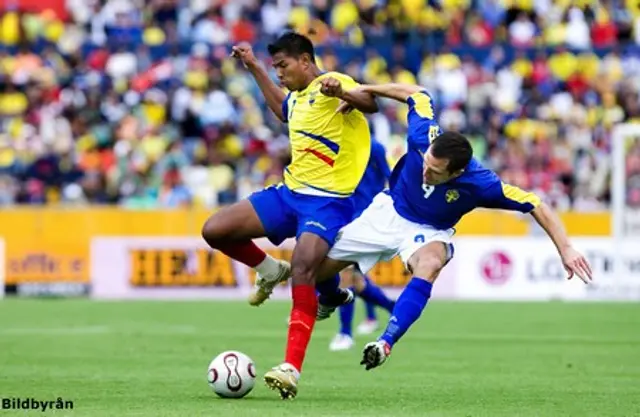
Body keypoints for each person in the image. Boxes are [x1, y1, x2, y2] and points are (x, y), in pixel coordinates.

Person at [263, 82, 593, 394]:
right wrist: (359, 91)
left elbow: (535, 203)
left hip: (428, 232)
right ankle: (333, 295)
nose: (425, 171)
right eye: (426, 163)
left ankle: (385, 341)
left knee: (431, 262)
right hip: (388, 211)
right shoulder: (423, 134)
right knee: (308, 272)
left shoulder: (481, 184)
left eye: (435, 172)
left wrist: (565, 248)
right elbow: (416, 93)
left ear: (457, 173)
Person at [200, 32, 378, 400]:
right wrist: (253, 68)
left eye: (283, 66)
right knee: (215, 229)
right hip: (289, 194)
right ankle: (269, 270)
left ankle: (290, 368)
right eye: (275, 66)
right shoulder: (297, 99)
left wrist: (342, 92)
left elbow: (369, 101)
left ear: (305, 61)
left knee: (304, 266)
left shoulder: (335, 83)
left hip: (328, 202)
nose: (278, 73)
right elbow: (282, 109)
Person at [331, 139, 396, 352]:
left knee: (345, 272)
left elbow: (390, 176)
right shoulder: (339, 144)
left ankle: (345, 333)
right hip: (346, 214)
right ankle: (393, 309)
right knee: (357, 281)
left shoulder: (374, 147)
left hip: (367, 217)